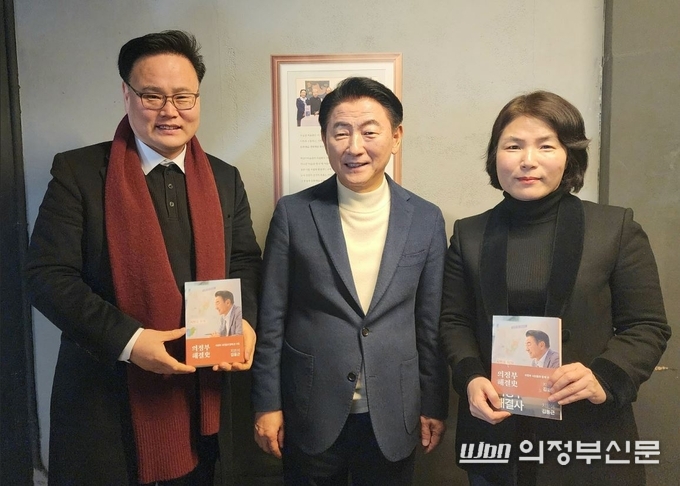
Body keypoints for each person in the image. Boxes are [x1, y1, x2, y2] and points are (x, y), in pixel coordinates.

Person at [26, 30, 262, 485]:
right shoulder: (79, 172)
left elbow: (244, 262)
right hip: (105, 401)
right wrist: (131, 342)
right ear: (127, 94)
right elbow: (47, 276)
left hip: (200, 395)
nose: (170, 110)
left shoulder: (224, 178)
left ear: (197, 99)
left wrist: (244, 321)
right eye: (152, 95)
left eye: (183, 96)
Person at [439, 91, 670, 485]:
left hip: (588, 436)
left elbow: (647, 325)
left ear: (570, 156)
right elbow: (454, 321)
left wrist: (603, 377)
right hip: (498, 436)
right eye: (513, 146)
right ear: (496, 156)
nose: (528, 160)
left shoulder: (614, 228)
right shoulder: (469, 234)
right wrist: (470, 377)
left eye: (546, 146)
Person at [252, 76, 449, 485]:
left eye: (369, 132)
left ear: (396, 137)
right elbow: (271, 319)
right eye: (340, 132)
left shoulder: (426, 219)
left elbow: (429, 323)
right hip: (311, 406)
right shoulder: (293, 213)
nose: (354, 146)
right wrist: (266, 403)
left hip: (394, 409)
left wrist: (434, 403)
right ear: (324, 139)